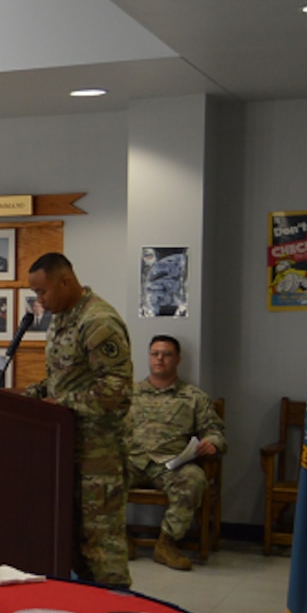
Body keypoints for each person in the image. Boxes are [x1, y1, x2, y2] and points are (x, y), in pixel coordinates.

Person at [23, 252, 133, 588]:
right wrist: (28, 395)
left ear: (65, 281)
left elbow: (118, 391)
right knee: (70, 545)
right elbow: (61, 380)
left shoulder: (98, 322)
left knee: (101, 548)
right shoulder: (61, 319)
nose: (39, 301)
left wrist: (60, 402)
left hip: (99, 456)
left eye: (42, 292)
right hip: (66, 449)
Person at [127, 335, 226, 571]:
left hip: (171, 464)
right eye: (155, 354)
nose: (160, 359)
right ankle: (118, 539)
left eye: (167, 354)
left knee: (194, 479)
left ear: (178, 359)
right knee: (98, 476)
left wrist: (212, 443)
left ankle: (166, 544)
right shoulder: (129, 393)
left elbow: (215, 432)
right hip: (133, 460)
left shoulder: (194, 397)